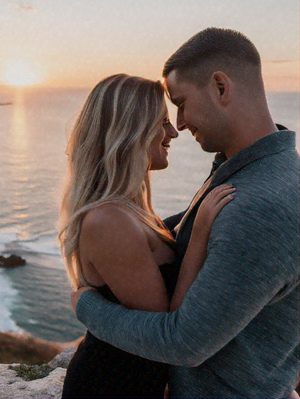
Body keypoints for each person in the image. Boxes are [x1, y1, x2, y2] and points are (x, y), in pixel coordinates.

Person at [72, 28, 300, 398]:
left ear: (220, 87)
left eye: (180, 103)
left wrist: (86, 306)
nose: (177, 124)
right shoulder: (252, 172)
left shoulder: (259, 203)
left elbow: (183, 344)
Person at [59, 74, 235, 398]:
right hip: (109, 389)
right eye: (162, 122)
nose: (172, 133)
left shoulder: (130, 209)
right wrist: (199, 234)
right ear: (130, 130)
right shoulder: (109, 220)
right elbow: (166, 333)